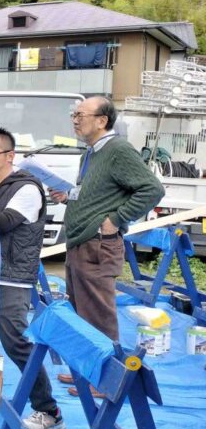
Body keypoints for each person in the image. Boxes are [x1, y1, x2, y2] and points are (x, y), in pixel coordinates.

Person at [52, 96, 163, 396]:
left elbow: (152, 189)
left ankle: (106, 380)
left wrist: (116, 219)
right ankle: (85, 370)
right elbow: (98, 191)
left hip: (98, 244)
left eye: (81, 115)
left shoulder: (118, 150)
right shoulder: (90, 153)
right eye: (73, 114)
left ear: (102, 120)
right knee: (79, 312)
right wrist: (69, 196)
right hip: (80, 242)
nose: (75, 119)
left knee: (98, 314)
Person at [0, 127, 63, 429]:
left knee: (15, 341)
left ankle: (48, 409)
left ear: (10, 156)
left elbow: (6, 222)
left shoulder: (26, 188)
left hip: (12, 275)